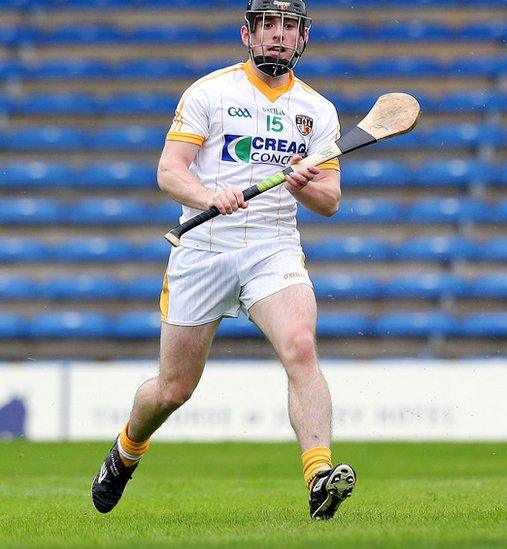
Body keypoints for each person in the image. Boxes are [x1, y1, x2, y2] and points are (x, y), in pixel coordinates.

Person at [91, 0, 357, 521]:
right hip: (205, 249)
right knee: (172, 390)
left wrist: (304, 185)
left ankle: (319, 477)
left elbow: (330, 202)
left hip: (272, 246)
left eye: (288, 26)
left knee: (301, 347)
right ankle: (125, 452)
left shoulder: (319, 112)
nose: (277, 35)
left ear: (303, 38)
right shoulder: (210, 92)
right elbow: (170, 171)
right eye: (268, 25)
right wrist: (208, 195)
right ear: (247, 34)